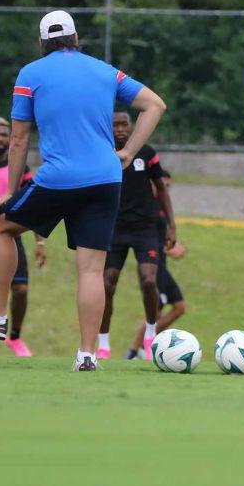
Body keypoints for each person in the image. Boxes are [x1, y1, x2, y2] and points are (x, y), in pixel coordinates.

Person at [0, 10, 167, 372]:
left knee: (0, 226)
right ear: (76, 38)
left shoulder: (30, 74)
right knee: (90, 269)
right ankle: (86, 355)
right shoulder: (104, 70)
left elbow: (19, 138)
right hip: (105, 179)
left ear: (42, 42)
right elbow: (155, 104)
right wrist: (128, 152)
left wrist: (9, 191)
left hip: (59, 179)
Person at [97, 108, 176, 361]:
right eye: (116, 125)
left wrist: (172, 226)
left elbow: (161, 190)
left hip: (146, 228)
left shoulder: (146, 153)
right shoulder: (102, 153)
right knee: (107, 283)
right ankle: (103, 342)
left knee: (149, 280)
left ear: (130, 126)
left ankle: (151, 333)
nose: (120, 129)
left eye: (124, 125)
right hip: (114, 229)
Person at [0, 117, 46, 356]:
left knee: (21, 289)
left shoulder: (19, 168)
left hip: (10, 233)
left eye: (5, 134)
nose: (1, 139)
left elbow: (34, 204)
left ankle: (15, 337)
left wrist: (40, 242)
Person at [130, 170, 187, 356]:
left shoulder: (162, 207)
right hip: (153, 267)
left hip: (163, 267)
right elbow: (145, 240)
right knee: (156, 312)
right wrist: (169, 249)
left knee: (179, 307)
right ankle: (134, 352)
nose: (166, 189)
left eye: (169, 186)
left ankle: (144, 345)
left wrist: (173, 245)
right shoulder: (146, 208)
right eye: (163, 185)